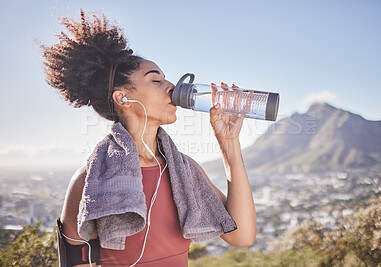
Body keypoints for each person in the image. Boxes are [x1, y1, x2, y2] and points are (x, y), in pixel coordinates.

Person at [42, 10, 256, 267]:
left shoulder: (185, 171)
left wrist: (229, 142)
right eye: (156, 79)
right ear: (123, 98)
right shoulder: (91, 179)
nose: (171, 87)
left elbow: (242, 237)